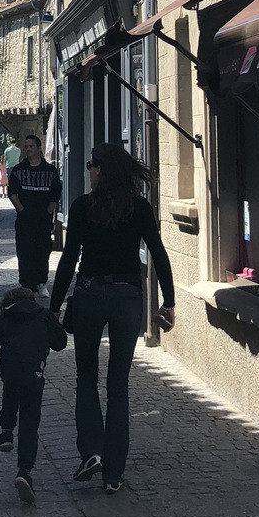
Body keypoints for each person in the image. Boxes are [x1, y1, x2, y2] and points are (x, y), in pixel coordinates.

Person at [49, 143, 174, 493]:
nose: (88, 170)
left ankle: (91, 451)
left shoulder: (82, 207)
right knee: (118, 385)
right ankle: (114, 473)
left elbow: (68, 259)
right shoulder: (139, 208)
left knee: (86, 375)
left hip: (90, 294)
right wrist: (169, 300)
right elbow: (158, 252)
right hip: (127, 297)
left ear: (102, 170)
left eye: (91, 165)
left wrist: (54, 307)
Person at [0, 286, 66, 504]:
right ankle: (24, 470)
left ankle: (6, 431)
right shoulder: (43, 316)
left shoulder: (7, 318)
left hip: (9, 371)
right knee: (30, 421)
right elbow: (61, 343)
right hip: (34, 375)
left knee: (10, 390)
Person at [7, 134, 61, 295]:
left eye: (31, 146)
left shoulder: (50, 171)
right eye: (26, 146)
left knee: (43, 252)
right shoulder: (19, 170)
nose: (28, 149)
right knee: (24, 253)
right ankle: (26, 285)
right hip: (24, 220)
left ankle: (41, 282)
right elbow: (12, 193)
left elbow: (55, 195)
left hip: (43, 220)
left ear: (39, 149)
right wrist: (22, 210)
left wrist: (47, 213)